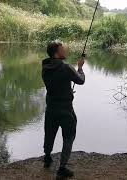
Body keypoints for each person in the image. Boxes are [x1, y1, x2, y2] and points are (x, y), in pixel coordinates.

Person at [41, 41, 85, 178]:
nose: (64, 51)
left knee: (49, 133)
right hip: (66, 110)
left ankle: (47, 157)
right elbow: (80, 80)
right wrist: (80, 68)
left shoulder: (45, 68)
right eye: (62, 49)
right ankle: (62, 169)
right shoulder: (66, 68)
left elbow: (57, 84)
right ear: (56, 53)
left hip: (51, 109)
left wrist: (67, 90)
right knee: (69, 137)